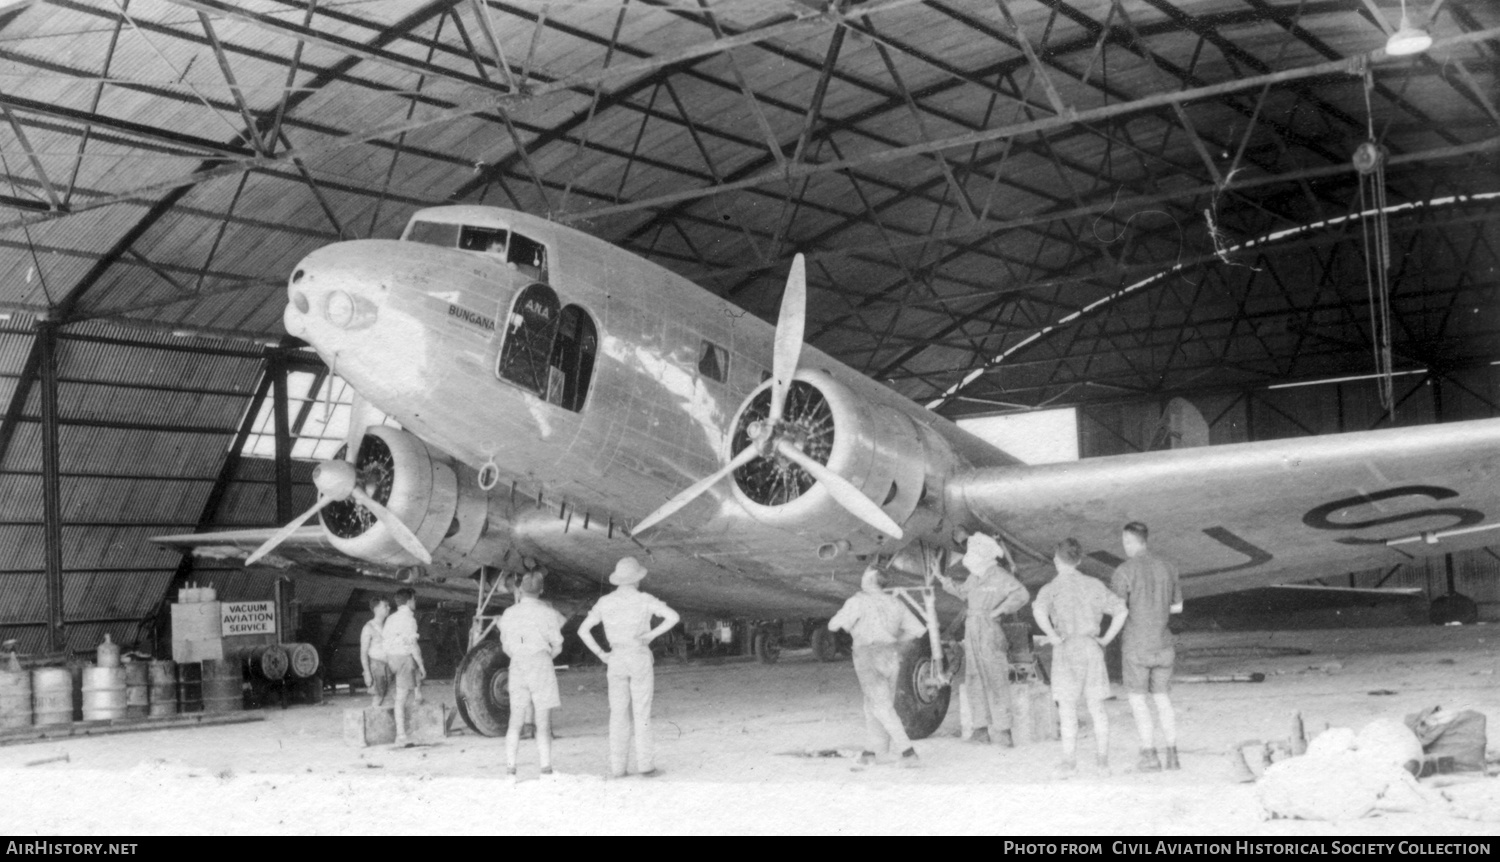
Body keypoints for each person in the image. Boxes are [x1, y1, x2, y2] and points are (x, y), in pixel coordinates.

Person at [1032, 537, 1129, 772]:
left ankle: (1069, 762)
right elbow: (1121, 610)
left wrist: (1051, 635)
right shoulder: (1094, 584)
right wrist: (1105, 639)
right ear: (1079, 560)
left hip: (1065, 649)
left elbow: (1038, 610)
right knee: (1097, 708)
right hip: (1090, 648)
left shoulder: (1051, 588)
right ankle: (1102, 763)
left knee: (1067, 709)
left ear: (1057, 560)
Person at [578, 557, 680, 778]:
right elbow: (673, 617)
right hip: (639, 655)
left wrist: (601, 654)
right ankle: (645, 765)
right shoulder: (644, 599)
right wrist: (650, 635)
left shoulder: (604, 602)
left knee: (618, 713)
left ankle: (618, 767)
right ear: (637, 579)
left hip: (616, 658)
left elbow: (583, 630)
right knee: (641, 712)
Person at [937, 532, 1030, 747]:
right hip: (972, 628)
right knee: (973, 679)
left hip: (989, 629)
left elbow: (1022, 594)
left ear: (983, 556)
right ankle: (980, 730)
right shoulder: (975, 576)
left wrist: (1000, 610)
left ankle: (1004, 731)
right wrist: (944, 581)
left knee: (995, 678)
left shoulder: (999, 575)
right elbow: (963, 593)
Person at [827, 566, 927, 765]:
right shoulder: (895, 602)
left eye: (865, 574)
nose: (862, 577)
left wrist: (851, 625)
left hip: (868, 656)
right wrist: (896, 641)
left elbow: (833, 625)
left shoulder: (857, 601)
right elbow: (917, 630)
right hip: (891, 655)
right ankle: (873, 752)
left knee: (881, 707)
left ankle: (908, 753)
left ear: (871, 580)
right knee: (872, 705)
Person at [1109, 521, 1184, 771]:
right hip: (1164, 644)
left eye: (1125, 542)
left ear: (1130, 541)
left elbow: (1117, 611)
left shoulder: (1123, 571)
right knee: (1162, 700)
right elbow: (1177, 607)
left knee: (1139, 702)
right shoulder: (1169, 567)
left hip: (1136, 647)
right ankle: (1173, 755)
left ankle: (1150, 755)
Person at [499, 570, 565, 781]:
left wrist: (520, 655)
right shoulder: (548, 613)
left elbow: (506, 646)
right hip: (541, 662)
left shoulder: (509, 613)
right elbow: (558, 645)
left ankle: (510, 772)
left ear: (520, 590)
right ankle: (545, 770)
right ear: (542, 590)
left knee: (515, 721)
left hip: (517, 664)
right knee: (543, 722)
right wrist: (546, 658)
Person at [383, 587, 427, 747]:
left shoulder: (391, 618)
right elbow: (413, 646)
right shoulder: (409, 620)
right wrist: (422, 666)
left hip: (390, 659)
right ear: (409, 601)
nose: (415, 602)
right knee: (401, 699)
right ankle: (401, 736)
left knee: (400, 695)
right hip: (403, 660)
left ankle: (418, 695)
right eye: (414, 599)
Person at [359, 595, 393, 709]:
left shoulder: (389, 625)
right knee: (378, 697)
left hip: (389, 666)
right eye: (385, 606)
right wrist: (367, 673)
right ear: (376, 609)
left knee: (389, 697)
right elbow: (363, 653)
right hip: (376, 666)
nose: (389, 608)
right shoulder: (368, 628)